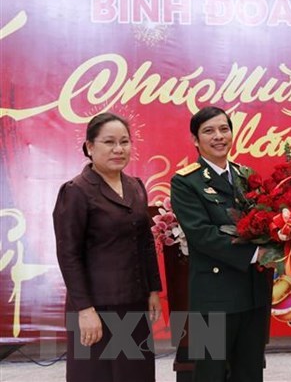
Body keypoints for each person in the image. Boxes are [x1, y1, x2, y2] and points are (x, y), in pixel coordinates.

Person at [53, 112, 162, 382]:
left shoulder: (135, 186)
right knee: (96, 375)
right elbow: (69, 255)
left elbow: (146, 242)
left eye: (124, 142)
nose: (118, 149)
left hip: (134, 302)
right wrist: (85, 310)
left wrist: (152, 290)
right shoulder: (76, 191)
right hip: (96, 307)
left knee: (136, 374)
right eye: (109, 142)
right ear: (90, 147)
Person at [170, 106, 272, 382]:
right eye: (209, 131)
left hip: (252, 293)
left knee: (250, 372)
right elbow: (202, 235)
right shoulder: (185, 182)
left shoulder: (245, 175)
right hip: (212, 297)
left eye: (224, 129)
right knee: (209, 374)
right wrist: (257, 253)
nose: (218, 136)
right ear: (195, 140)